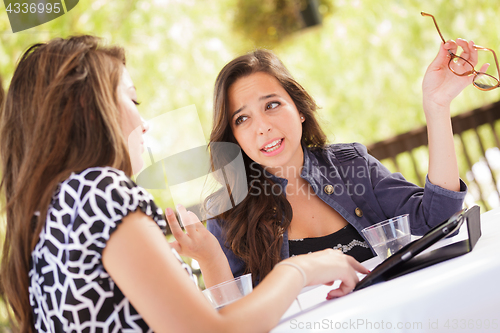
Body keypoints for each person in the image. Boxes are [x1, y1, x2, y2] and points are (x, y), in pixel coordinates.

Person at [0, 35, 369, 333]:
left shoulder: (47, 217)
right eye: (131, 99)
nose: (143, 123)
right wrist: (301, 269)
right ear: (88, 108)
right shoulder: (99, 192)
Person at [205, 39, 477, 284]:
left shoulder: (352, 167)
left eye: (271, 105)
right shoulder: (226, 215)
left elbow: (440, 220)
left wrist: (437, 106)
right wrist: (206, 259)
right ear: (234, 138)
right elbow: (228, 316)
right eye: (242, 118)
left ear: (299, 109)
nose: (262, 127)